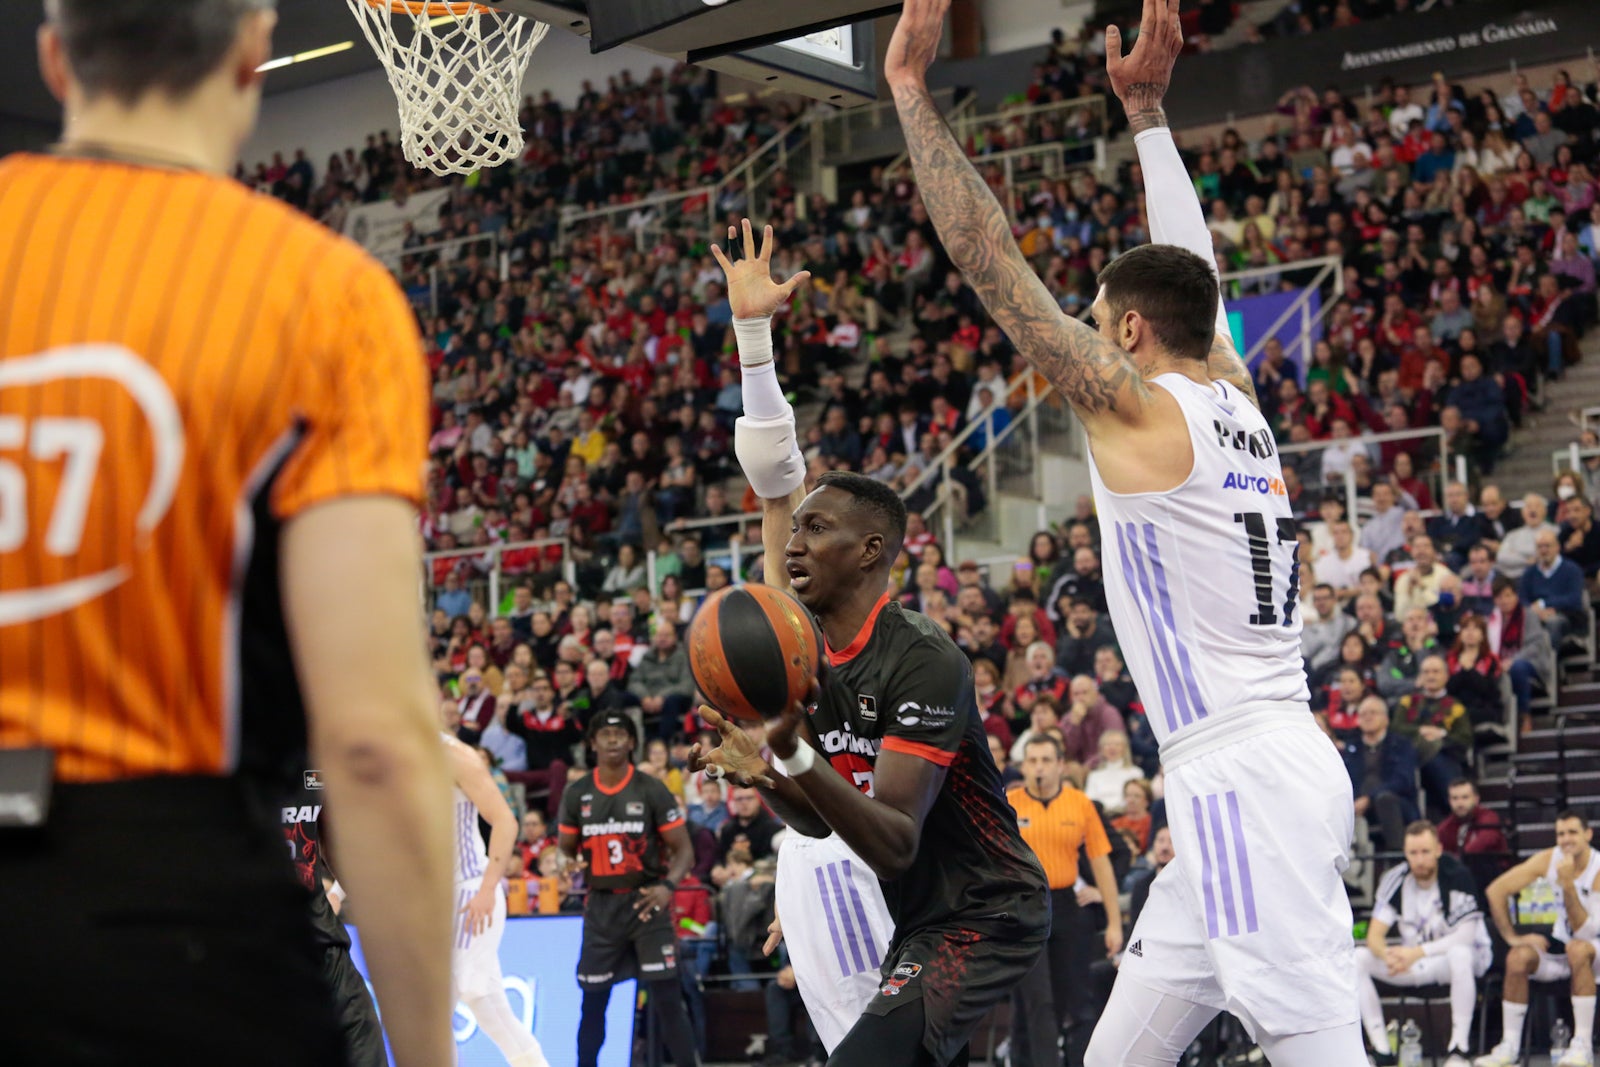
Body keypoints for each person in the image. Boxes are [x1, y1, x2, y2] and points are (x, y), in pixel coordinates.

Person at [889, 0, 1361, 1060]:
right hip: (1267, 763)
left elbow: (990, 262)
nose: (1089, 338)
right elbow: (1191, 268)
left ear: (1131, 332)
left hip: (1237, 776)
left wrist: (913, 95)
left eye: (1099, 323)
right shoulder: (1234, 400)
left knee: (1320, 1047)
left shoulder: (1140, 410)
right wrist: (1145, 114)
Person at [0, 3, 456, 1064]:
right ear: (254, 47)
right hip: (170, 920)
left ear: (55, 57)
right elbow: (374, 742)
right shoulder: (324, 296)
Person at [696, 222, 1049, 1067]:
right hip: (890, 885)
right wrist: (773, 772)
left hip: (954, 890)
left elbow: (892, 833)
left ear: (870, 551)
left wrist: (785, 751)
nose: (787, 544)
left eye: (816, 528)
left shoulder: (917, 653)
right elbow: (819, 820)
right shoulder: (796, 642)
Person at [558, 711, 699, 1067]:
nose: (613, 739)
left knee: (668, 1001)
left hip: (646, 904)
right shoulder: (577, 794)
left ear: (633, 742)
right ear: (592, 743)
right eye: (605, 733)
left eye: (621, 733)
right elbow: (564, 850)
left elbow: (684, 850)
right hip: (602, 908)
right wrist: (563, 862)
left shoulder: (651, 789)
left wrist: (668, 886)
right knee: (593, 1004)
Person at [1005, 735, 1122, 1067]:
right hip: (1024, 908)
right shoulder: (1008, 803)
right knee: (1036, 1001)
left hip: (1067, 907)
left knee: (1076, 1000)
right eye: (1032, 761)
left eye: (1045, 760)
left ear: (1060, 765)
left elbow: (1101, 862)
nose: (1038, 767)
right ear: (1023, 766)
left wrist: (1114, 922)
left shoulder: (1079, 803)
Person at [441, 728, 552, 1067]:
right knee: (491, 1010)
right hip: (438, 899)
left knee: (433, 1007)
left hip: (471, 890)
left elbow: (505, 821)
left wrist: (488, 889)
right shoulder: (399, 756)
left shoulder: (455, 756)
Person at [1356, 822, 1491, 1067]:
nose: (1419, 860)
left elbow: (1465, 937)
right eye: (1413, 853)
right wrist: (1387, 956)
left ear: (1439, 849)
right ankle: (1381, 1050)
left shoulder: (1457, 875)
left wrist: (1415, 953)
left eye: (1425, 852)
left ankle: (1459, 1050)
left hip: (1463, 961)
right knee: (1357, 958)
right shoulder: (1396, 878)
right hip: (1415, 963)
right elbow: (1374, 935)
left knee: (1460, 954)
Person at [280, 766, 386, 1067]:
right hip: (258, 948)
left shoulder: (313, 763)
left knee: (364, 1043)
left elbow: (331, 840)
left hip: (322, 940)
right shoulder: (215, 754)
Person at [1476, 810, 1600, 1067]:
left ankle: (1582, 1045)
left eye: (1572, 833)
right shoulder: (1549, 859)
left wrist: (1567, 885)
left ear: (1588, 834)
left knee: (1578, 948)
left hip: (1594, 946)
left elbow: (1586, 931)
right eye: (1560, 834)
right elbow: (1496, 891)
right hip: (1566, 946)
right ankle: (1509, 1046)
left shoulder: (1597, 869)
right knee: (1519, 957)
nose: (1566, 840)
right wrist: (1513, 938)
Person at [1437, 779, 1510, 858]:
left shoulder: (1489, 817)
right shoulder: (1444, 828)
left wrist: (1459, 859)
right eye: (1455, 798)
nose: (1460, 803)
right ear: (1449, 801)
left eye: (1465, 797)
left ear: (1476, 799)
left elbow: (1486, 840)